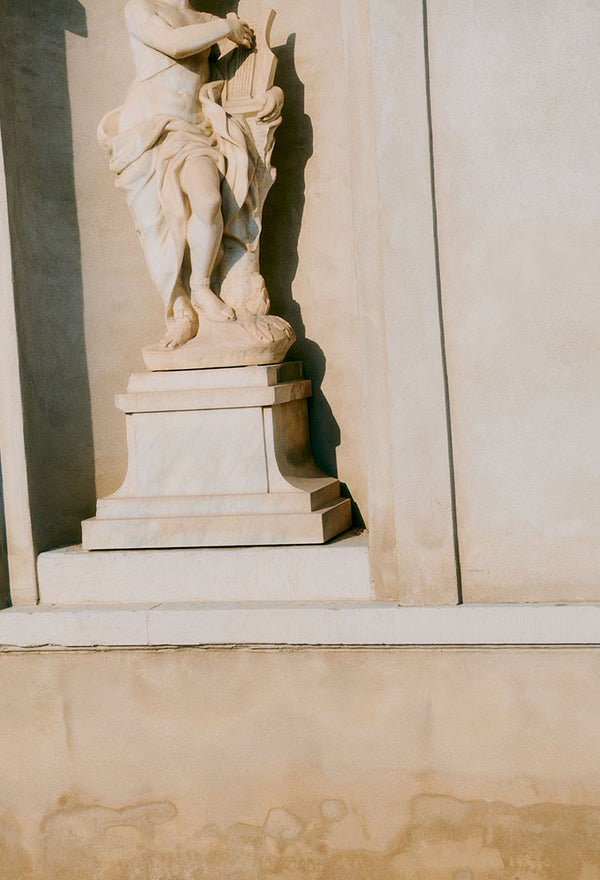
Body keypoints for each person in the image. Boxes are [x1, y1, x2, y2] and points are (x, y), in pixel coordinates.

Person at [99, 0, 280, 349]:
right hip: (148, 132)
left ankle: (201, 286)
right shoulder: (140, 7)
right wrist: (227, 28)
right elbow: (174, 44)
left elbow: (233, 78)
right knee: (158, 230)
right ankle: (181, 311)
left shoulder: (206, 21)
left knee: (209, 200)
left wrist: (273, 94)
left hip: (193, 130)